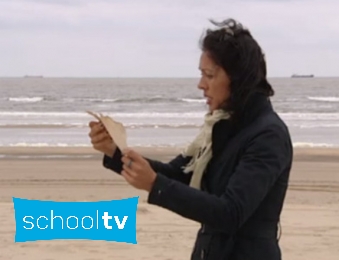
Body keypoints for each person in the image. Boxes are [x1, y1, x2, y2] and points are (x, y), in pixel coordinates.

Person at [88, 18, 293, 260]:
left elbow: (231, 213)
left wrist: (155, 185)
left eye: (209, 75)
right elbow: (177, 174)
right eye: (201, 74)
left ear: (238, 79)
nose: (201, 85)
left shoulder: (268, 135)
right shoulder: (221, 126)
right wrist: (115, 152)